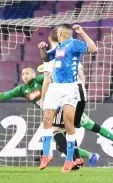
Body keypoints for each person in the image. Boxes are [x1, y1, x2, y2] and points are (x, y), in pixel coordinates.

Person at [0, 67, 103, 168]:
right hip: (53, 114)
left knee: (76, 132)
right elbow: (5, 95)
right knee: (61, 143)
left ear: (34, 74)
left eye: (28, 73)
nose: (25, 76)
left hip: (62, 109)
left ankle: (58, 157)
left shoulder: (40, 80)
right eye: (23, 74)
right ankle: (87, 157)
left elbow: (50, 77)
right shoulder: (22, 89)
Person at [38, 24, 97, 173]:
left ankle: (70, 159)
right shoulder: (58, 47)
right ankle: (46, 155)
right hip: (55, 86)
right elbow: (46, 58)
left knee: (68, 123)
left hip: (70, 87)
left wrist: (82, 32)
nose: (56, 34)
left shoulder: (74, 44)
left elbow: (93, 49)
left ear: (62, 33)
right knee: (47, 118)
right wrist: (42, 49)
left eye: (57, 32)